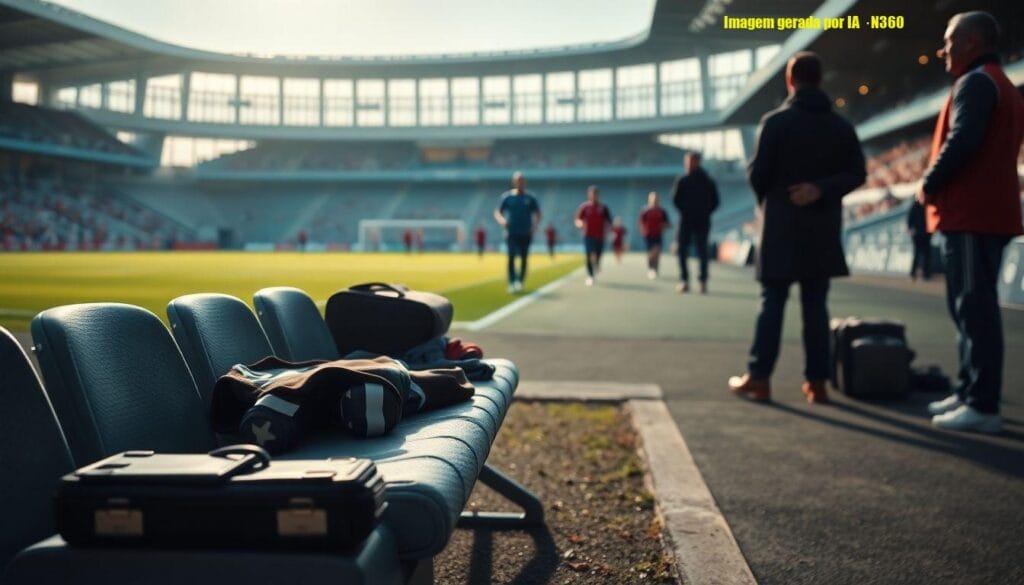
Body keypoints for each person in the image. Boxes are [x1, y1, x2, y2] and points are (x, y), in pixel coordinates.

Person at [728, 51, 866, 404]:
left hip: (781, 225)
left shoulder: (775, 122)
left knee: (771, 303)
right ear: (820, 81)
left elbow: (758, 175)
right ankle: (817, 384)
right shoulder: (841, 125)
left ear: (791, 81)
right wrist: (821, 189)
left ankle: (759, 379)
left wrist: (772, 203)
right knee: (815, 306)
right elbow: (857, 174)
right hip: (821, 227)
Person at [920, 11, 1024, 433]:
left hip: (970, 215)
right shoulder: (1000, 84)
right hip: (988, 212)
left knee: (972, 307)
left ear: (972, 41)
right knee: (971, 307)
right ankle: (969, 392)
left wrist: (928, 182)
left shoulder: (977, 83)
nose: (943, 50)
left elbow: (963, 140)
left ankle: (981, 403)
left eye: (950, 40)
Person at [672, 152, 719, 293]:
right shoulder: (682, 180)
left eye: (690, 161)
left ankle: (702, 281)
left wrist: (704, 212)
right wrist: (685, 211)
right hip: (686, 220)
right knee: (682, 251)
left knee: (702, 251)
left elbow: (715, 201)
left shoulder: (708, 181)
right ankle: (684, 280)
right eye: (686, 161)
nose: (687, 164)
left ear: (697, 162)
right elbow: (675, 199)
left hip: (702, 221)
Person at [494, 171, 541, 293]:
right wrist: (502, 220)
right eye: (518, 180)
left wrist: (534, 226)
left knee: (524, 258)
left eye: (522, 180)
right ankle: (512, 282)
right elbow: (498, 212)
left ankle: (520, 281)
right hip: (511, 232)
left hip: (526, 232)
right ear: (514, 182)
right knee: (511, 257)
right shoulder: (507, 197)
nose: (520, 182)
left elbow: (538, 213)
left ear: (524, 182)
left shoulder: (530, 198)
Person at [574, 185, 612, 286]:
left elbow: (609, 221)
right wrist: (579, 223)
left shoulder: (603, 208)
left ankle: (597, 264)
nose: (594, 196)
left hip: (600, 236)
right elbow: (577, 219)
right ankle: (590, 276)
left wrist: (608, 231)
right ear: (589, 195)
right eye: (592, 194)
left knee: (597, 255)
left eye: (595, 194)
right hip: (588, 235)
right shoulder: (584, 207)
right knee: (589, 254)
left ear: (598, 195)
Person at [638, 191, 671, 279]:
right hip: (648, 235)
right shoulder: (645, 210)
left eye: (656, 199)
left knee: (657, 252)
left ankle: (655, 269)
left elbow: (668, 223)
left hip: (658, 235)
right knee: (650, 254)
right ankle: (650, 269)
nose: (655, 200)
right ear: (649, 199)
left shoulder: (662, 211)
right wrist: (642, 229)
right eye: (653, 198)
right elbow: (641, 222)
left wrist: (665, 225)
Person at [906, 198, 932, 281]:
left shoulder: (928, 205)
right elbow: (910, 219)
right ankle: (913, 274)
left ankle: (925, 274)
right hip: (918, 234)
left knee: (926, 254)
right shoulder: (916, 206)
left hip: (926, 234)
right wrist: (911, 229)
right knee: (918, 254)